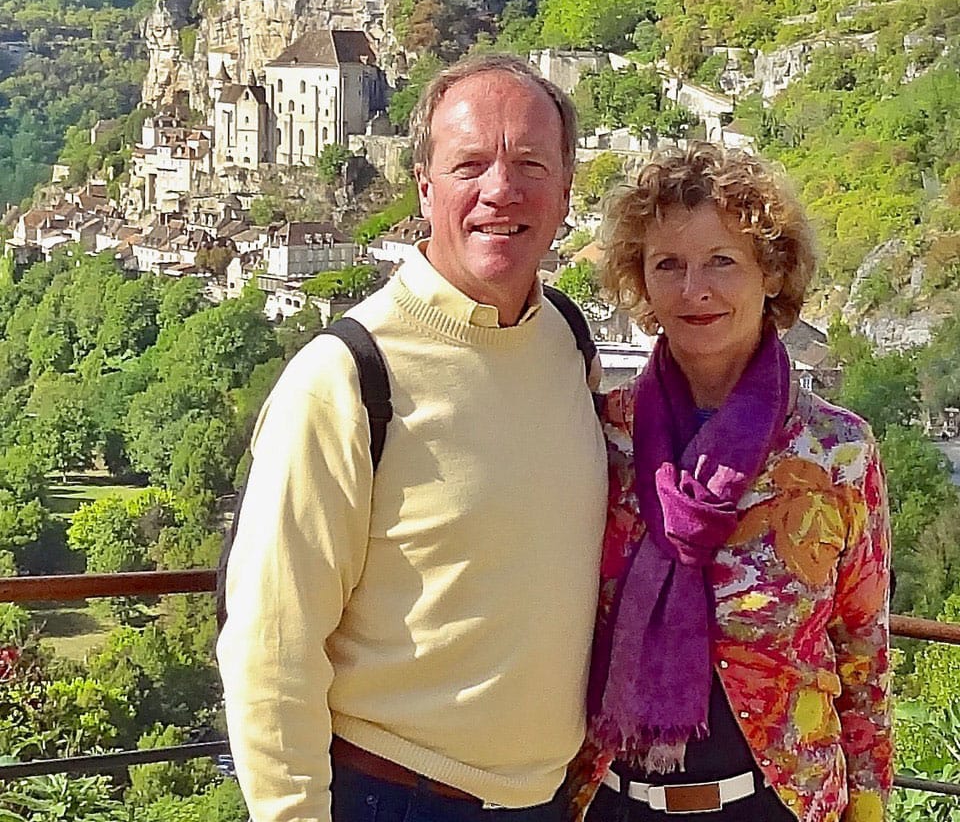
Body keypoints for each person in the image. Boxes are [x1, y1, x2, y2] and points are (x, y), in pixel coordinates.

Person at [217, 54, 607, 822]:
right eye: (471, 165)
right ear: (425, 186)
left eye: (531, 163)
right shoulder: (347, 376)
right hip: (393, 795)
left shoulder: (567, 338)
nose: (502, 189)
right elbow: (269, 646)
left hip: (551, 797)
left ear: (565, 189)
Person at [565, 143, 892, 822]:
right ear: (641, 284)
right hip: (610, 804)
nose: (695, 291)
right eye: (668, 265)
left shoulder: (835, 453)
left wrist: (867, 804)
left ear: (770, 271)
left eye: (723, 261)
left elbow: (862, 650)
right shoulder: (601, 439)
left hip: (777, 805)